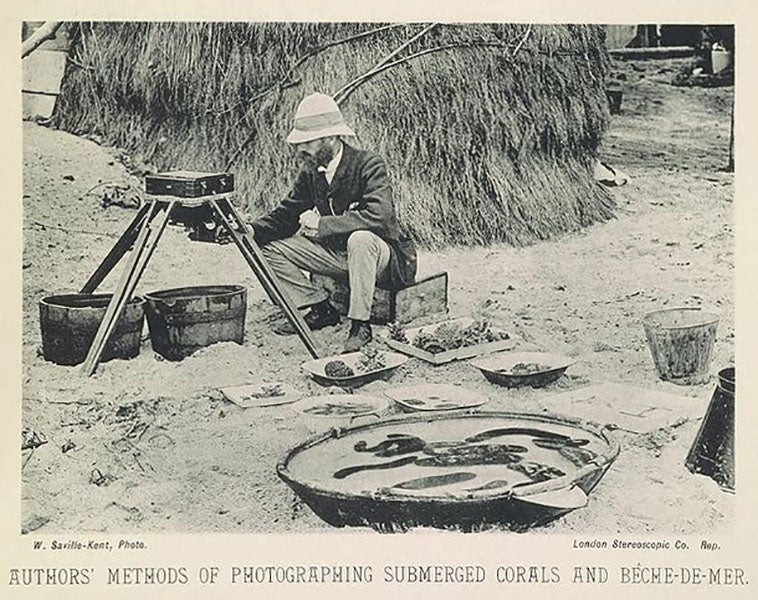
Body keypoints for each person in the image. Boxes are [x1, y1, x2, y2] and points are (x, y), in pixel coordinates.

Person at [251, 92, 417, 353]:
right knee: (266, 247)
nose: (299, 149)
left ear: (330, 138)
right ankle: (320, 307)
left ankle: (360, 325)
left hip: (381, 260)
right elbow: (286, 215)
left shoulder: (368, 164)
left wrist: (322, 225)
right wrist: (250, 229)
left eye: (307, 142)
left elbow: (380, 216)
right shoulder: (311, 172)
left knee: (360, 239)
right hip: (337, 256)